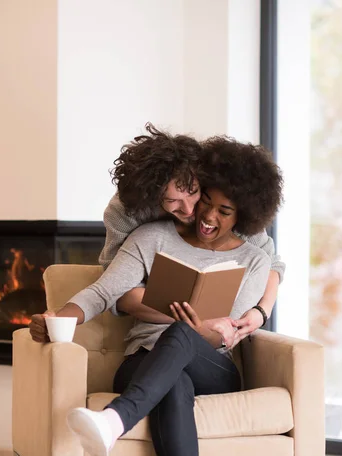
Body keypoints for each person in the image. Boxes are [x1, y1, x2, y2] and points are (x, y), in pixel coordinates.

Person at [48, 137, 284, 456]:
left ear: (242, 217)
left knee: (181, 334)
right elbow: (104, 292)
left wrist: (259, 311)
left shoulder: (254, 259)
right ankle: (113, 422)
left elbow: (221, 336)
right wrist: (58, 318)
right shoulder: (148, 236)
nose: (206, 215)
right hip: (141, 361)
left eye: (224, 211)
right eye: (207, 203)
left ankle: (115, 420)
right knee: (173, 384)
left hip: (212, 366)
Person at [29, 123, 285, 341]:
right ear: (152, 199)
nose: (190, 209)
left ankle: (122, 403)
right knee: (177, 341)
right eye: (172, 201)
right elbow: (114, 291)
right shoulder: (126, 215)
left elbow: (270, 262)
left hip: (201, 347)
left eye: (194, 193)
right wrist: (191, 319)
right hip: (153, 331)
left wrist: (261, 312)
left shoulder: (219, 200)